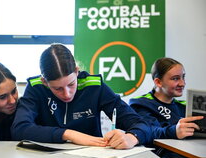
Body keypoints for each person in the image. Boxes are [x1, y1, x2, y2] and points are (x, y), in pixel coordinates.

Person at [11, 43, 153, 149]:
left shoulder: (94, 86)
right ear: (45, 82)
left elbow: (141, 124)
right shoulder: (36, 87)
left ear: (77, 71)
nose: (67, 94)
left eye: (71, 84)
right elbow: (20, 128)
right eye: (57, 88)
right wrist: (68, 134)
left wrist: (132, 137)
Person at [129, 57, 204, 158]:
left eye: (183, 77)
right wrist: (174, 131)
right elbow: (148, 131)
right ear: (158, 82)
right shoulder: (140, 103)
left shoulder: (185, 106)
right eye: (175, 79)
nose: (182, 83)